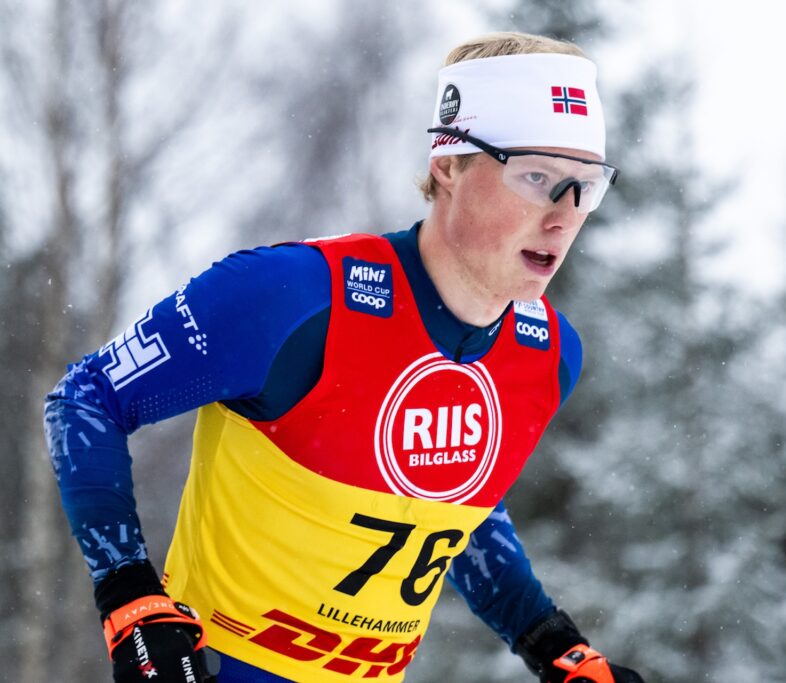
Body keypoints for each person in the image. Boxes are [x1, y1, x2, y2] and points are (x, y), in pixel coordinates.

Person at [44, 31, 644, 683]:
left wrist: (551, 642)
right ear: (450, 165)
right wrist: (131, 598)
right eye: (537, 177)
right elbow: (86, 398)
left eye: (586, 185)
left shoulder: (549, 355)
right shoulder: (293, 298)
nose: (565, 217)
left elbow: (455, 512)